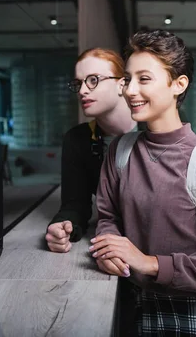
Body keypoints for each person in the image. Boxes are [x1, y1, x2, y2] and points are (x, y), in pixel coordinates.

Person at [89, 30, 196, 336]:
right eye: (128, 79)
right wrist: (111, 251)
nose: (130, 90)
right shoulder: (120, 151)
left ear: (179, 84)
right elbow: (108, 218)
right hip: (136, 305)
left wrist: (150, 264)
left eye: (144, 79)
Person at [45, 48, 138, 277]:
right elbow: (76, 203)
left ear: (121, 84)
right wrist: (62, 226)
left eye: (93, 80)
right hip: (108, 244)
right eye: (79, 84)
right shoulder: (77, 139)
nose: (83, 91)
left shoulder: (157, 126)